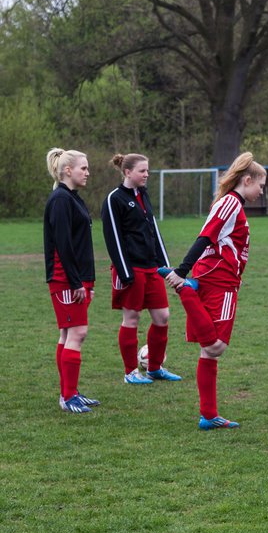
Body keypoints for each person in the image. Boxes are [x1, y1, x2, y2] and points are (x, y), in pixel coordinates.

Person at [162, 153, 267, 430]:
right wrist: (182, 274)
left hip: (218, 277)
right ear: (247, 180)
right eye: (261, 185)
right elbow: (205, 237)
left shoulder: (230, 203)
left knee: (208, 353)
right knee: (215, 346)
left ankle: (208, 415)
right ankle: (187, 291)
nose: (262, 190)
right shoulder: (232, 202)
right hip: (218, 280)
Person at [101, 153, 182, 385]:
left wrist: (165, 266)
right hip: (131, 269)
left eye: (147, 171)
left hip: (152, 268)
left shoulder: (143, 195)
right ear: (128, 172)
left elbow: (154, 231)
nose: (147, 175)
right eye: (142, 171)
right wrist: (124, 272)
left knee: (162, 316)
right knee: (132, 318)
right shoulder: (114, 199)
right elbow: (113, 238)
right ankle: (130, 372)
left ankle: (155, 368)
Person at [43, 148, 99, 414]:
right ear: (68, 170)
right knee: (77, 332)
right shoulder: (60, 200)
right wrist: (77, 282)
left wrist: (89, 281)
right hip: (66, 279)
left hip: (77, 279)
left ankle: (71, 391)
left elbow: (81, 245)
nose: (87, 173)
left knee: (68, 333)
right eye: (83, 168)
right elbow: (63, 245)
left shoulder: (73, 198)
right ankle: (67, 397)